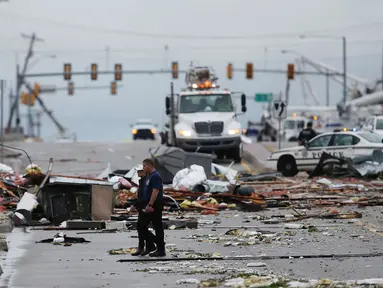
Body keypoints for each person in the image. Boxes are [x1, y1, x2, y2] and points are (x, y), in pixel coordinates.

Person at [139, 158, 166, 257]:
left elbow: (155, 191)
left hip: (155, 204)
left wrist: (150, 205)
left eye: (144, 166)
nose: (143, 168)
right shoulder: (149, 177)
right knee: (141, 226)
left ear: (150, 166)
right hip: (149, 204)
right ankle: (154, 244)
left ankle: (160, 249)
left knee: (157, 227)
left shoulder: (155, 176)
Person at [130, 165, 157, 256]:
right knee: (141, 227)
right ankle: (148, 246)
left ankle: (153, 243)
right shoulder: (142, 181)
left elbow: (145, 197)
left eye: (139, 171)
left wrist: (135, 204)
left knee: (141, 227)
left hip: (147, 207)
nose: (138, 173)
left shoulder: (146, 181)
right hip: (142, 207)